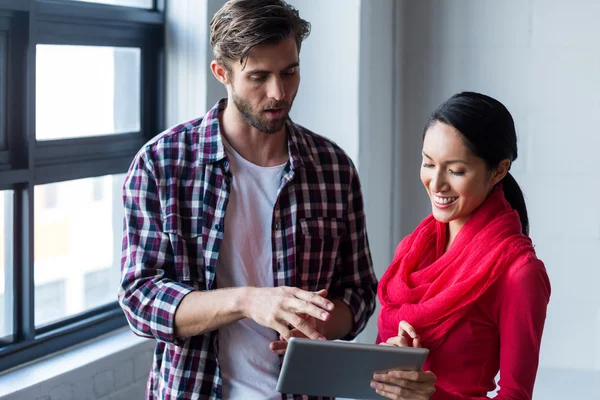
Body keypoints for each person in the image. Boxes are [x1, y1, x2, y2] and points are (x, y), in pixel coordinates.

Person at [118, 0, 378, 399]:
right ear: (222, 73)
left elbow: (358, 293)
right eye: (258, 76)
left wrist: (320, 324)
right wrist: (248, 301)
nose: (278, 92)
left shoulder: (333, 167)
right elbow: (140, 300)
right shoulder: (161, 164)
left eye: (289, 72)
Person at [371, 92, 551, 400]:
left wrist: (430, 396)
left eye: (455, 171)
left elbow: (515, 396)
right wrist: (390, 359)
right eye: (428, 164)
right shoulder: (413, 252)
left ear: (498, 170)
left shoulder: (519, 273)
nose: (436, 183)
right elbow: (377, 375)